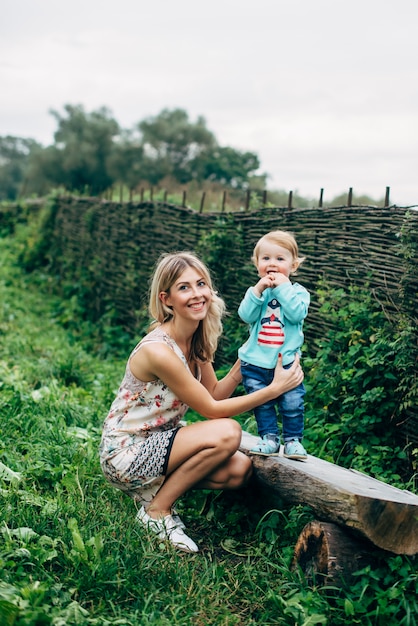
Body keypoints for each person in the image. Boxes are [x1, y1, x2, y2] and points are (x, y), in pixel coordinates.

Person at [99, 251, 304, 553]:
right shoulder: (159, 350)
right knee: (228, 432)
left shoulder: (196, 339)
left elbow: (216, 393)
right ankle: (157, 511)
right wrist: (274, 389)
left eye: (201, 284)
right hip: (127, 452)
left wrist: (246, 361)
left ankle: (153, 494)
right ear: (166, 299)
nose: (197, 295)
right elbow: (210, 410)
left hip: (161, 445)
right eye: (184, 288)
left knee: (239, 469)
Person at [238, 230, 310, 459]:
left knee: (292, 403)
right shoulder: (257, 293)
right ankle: (269, 438)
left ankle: (292, 441)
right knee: (263, 405)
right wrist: (258, 290)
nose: (272, 264)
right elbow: (246, 315)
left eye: (280, 259)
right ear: (257, 264)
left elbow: (297, 314)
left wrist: (282, 288)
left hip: (286, 363)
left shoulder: (298, 293)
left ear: (293, 265)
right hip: (255, 363)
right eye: (266, 258)